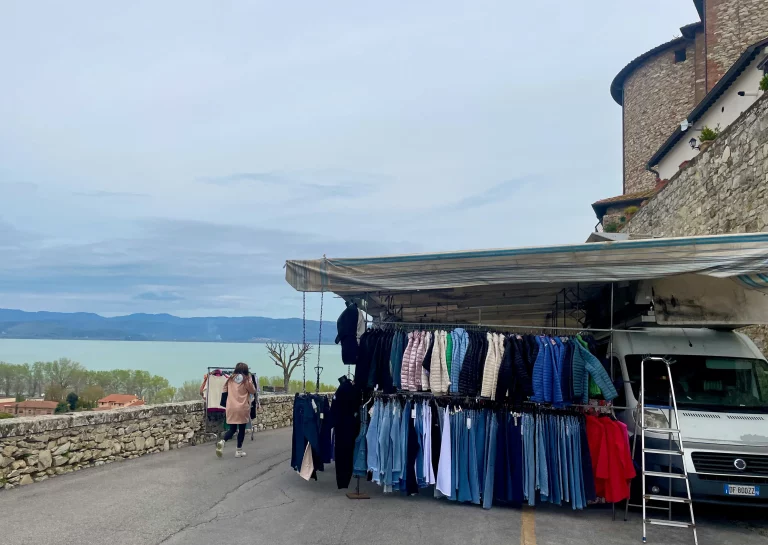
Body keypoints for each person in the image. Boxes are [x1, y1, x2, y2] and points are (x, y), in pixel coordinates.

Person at [216, 362, 256, 458]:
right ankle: (239, 451)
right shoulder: (246, 380)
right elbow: (253, 390)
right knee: (241, 429)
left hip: (231, 407)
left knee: (232, 429)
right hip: (242, 408)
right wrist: (250, 380)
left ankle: (223, 441)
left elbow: (224, 390)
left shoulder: (230, 379)